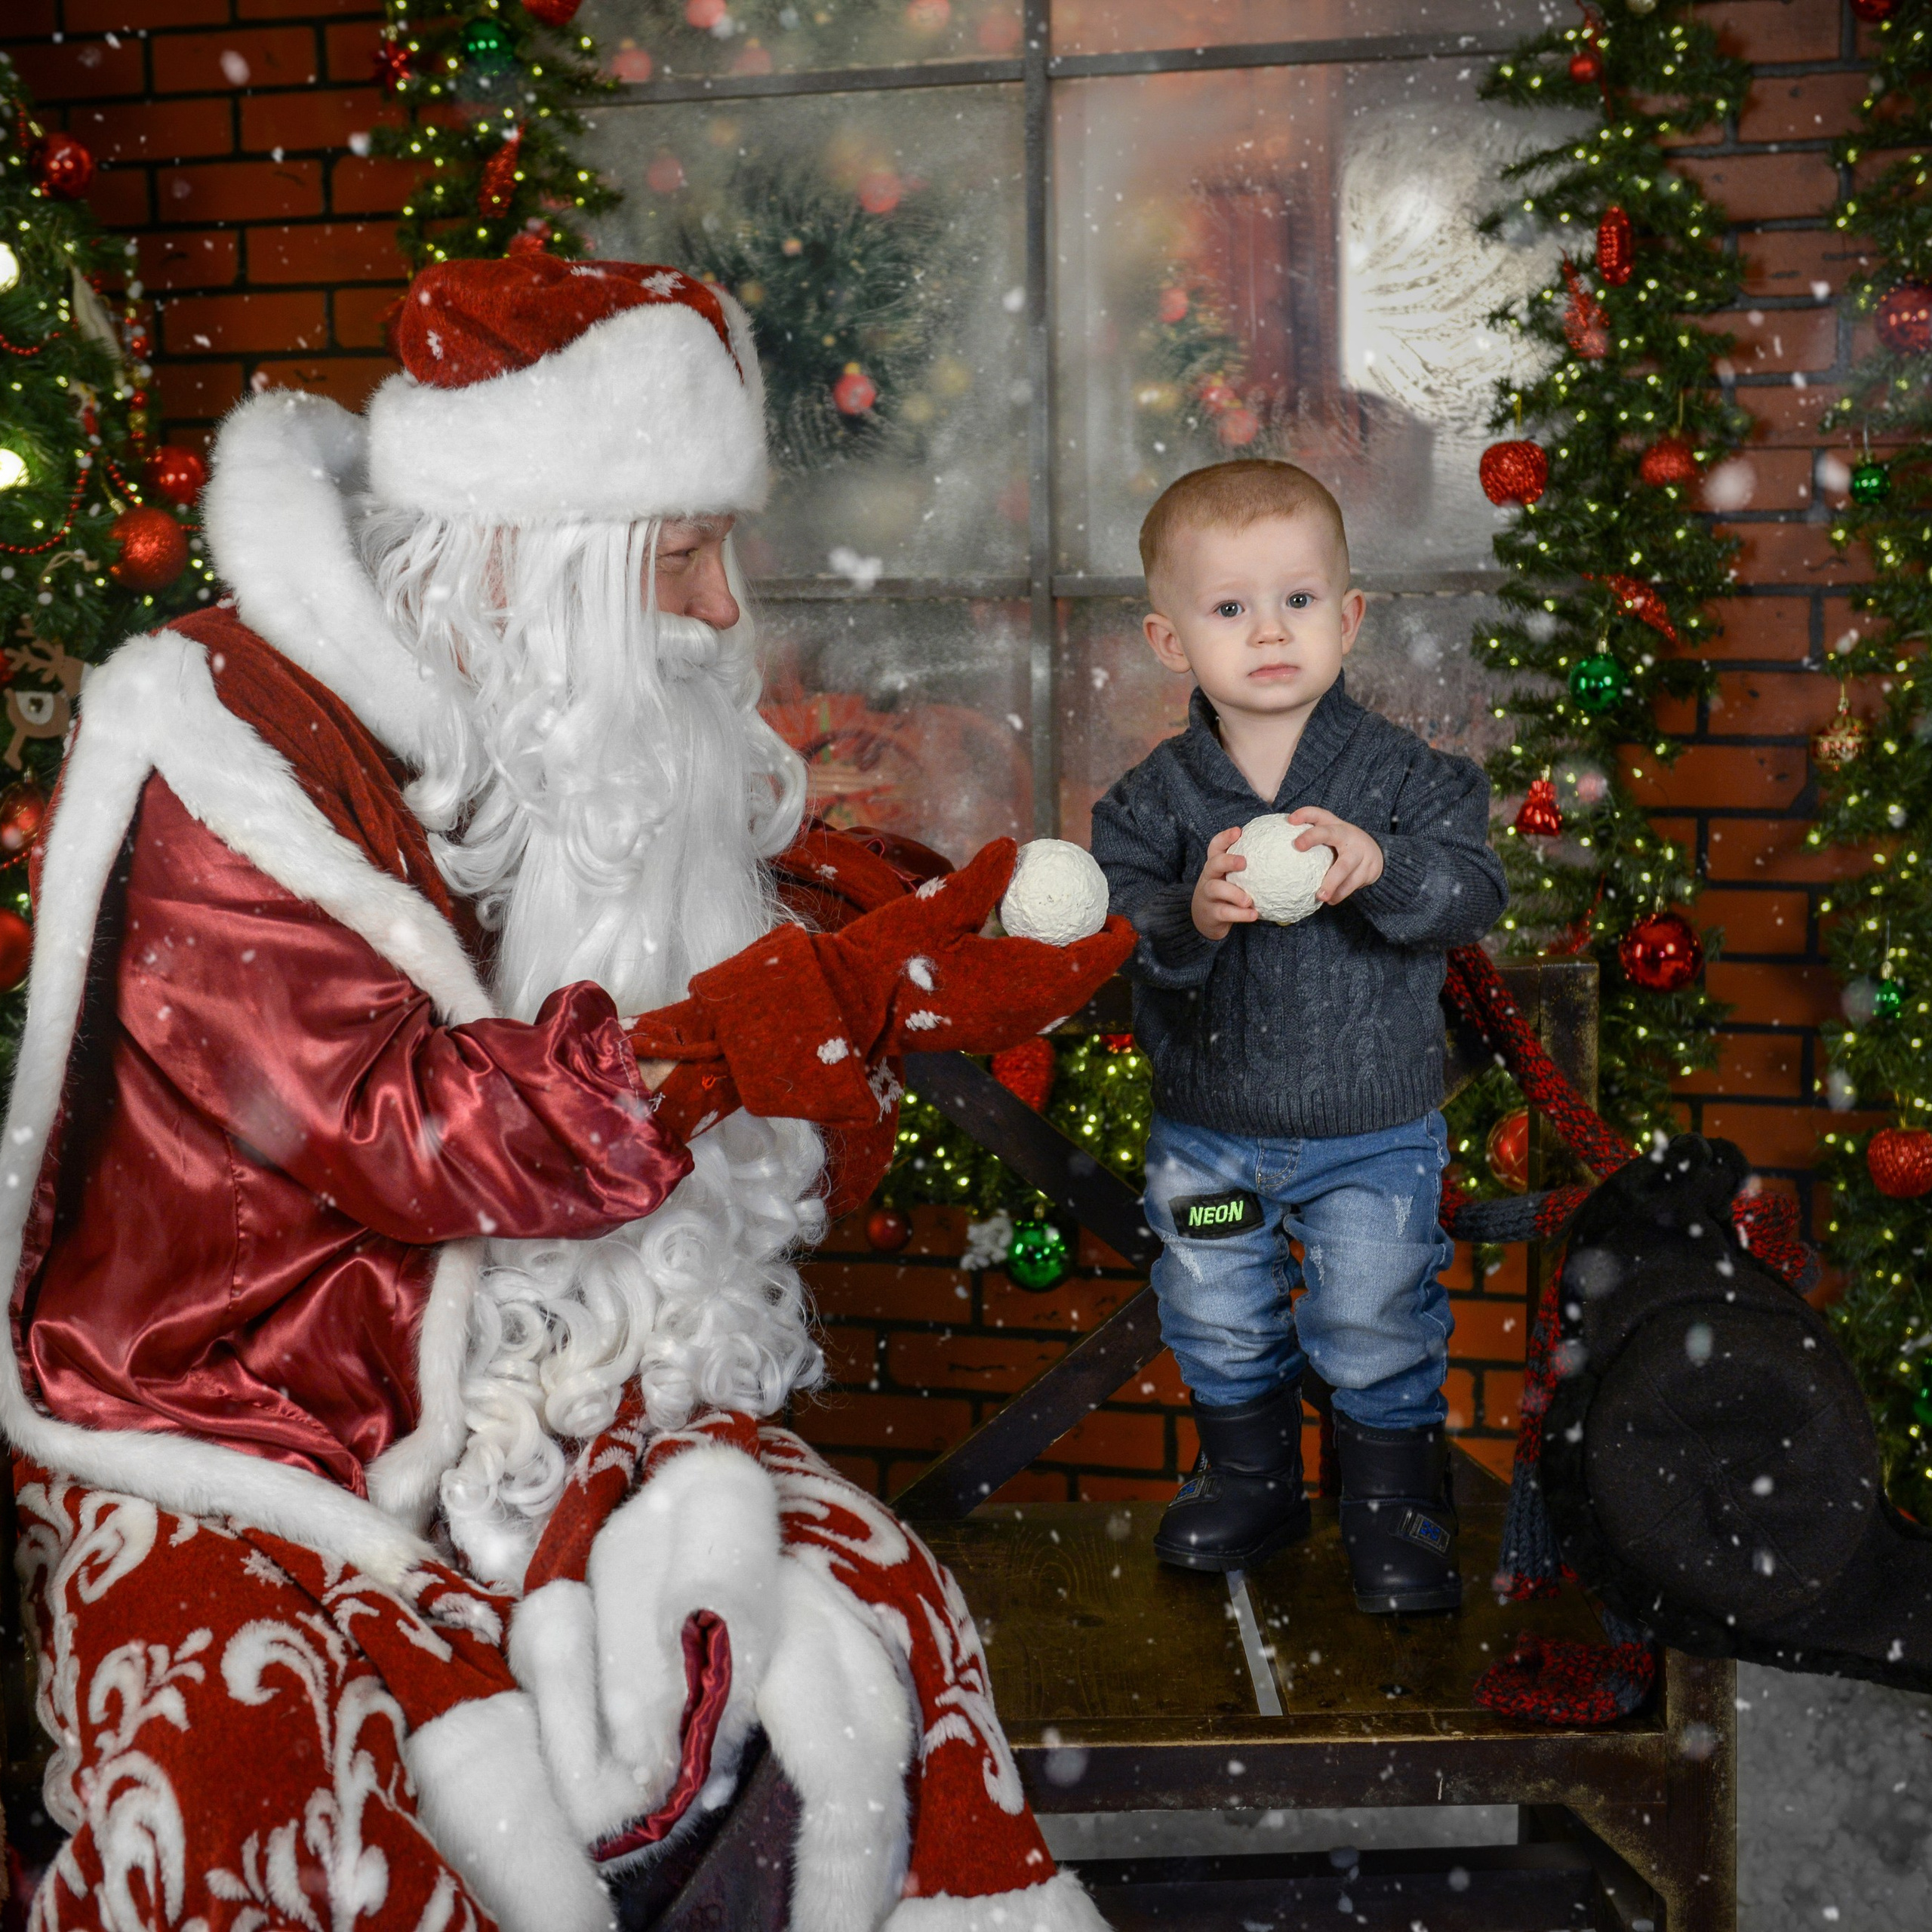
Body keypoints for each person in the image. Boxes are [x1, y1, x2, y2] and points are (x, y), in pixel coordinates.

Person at [1, 255, 1127, 1932]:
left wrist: (883, 949)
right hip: (235, 1416)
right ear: (523, 557)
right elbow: (401, 1129)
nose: (722, 612)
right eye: (678, 557)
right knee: (242, 1767)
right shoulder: (229, 744)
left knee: (875, 1626)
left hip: (542, 1396)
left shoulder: (538, 713)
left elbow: (707, 923)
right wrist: (779, 1015)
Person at [1090, 460, 1507, 1614]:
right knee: (1215, 1302)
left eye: (1299, 600)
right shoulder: (1154, 801)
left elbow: (1473, 892)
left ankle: (1391, 1506)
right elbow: (1119, 921)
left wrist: (1386, 867)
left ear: (1350, 616)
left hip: (1373, 1138)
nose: (1269, 631)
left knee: (1373, 1314)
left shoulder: (1407, 780)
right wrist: (1190, 913)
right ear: (1170, 640)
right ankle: (1252, 1481)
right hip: (1210, 1145)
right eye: (1230, 607)